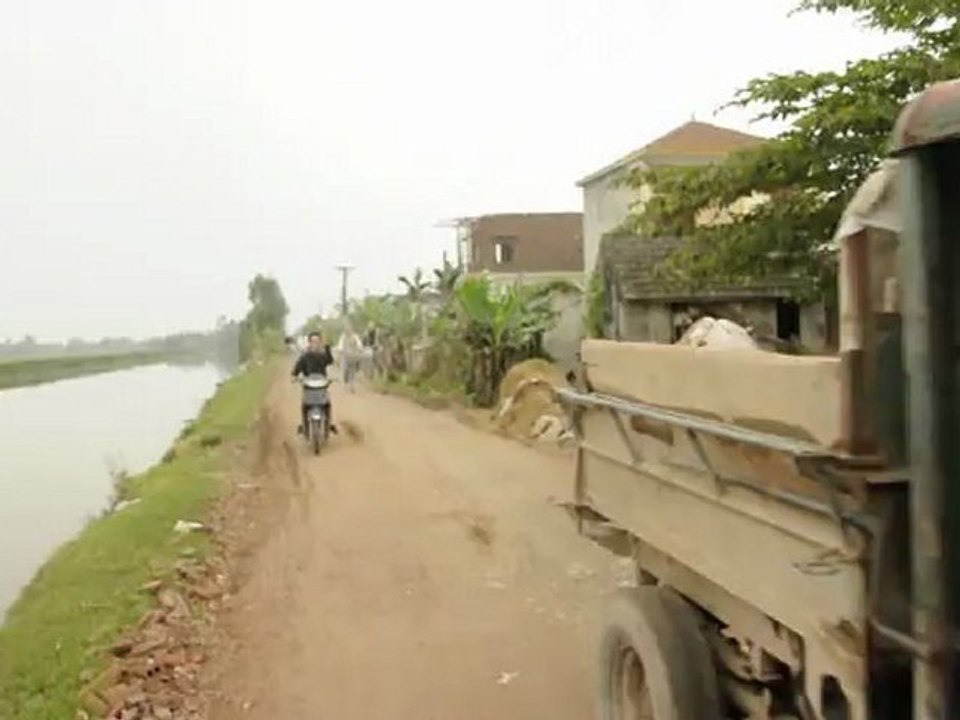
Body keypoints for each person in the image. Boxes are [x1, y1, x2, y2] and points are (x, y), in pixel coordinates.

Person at [291, 331, 337, 435]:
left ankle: (328, 423)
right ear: (309, 343)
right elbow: (296, 369)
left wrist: (327, 348)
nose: (315, 344)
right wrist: (294, 376)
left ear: (320, 343)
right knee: (304, 405)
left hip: (322, 386)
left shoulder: (323, 355)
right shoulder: (304, 357)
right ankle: (304, 425)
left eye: (317, 341)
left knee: (327, 404)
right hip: (309, 387)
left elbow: (330, 361)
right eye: (313, 341)